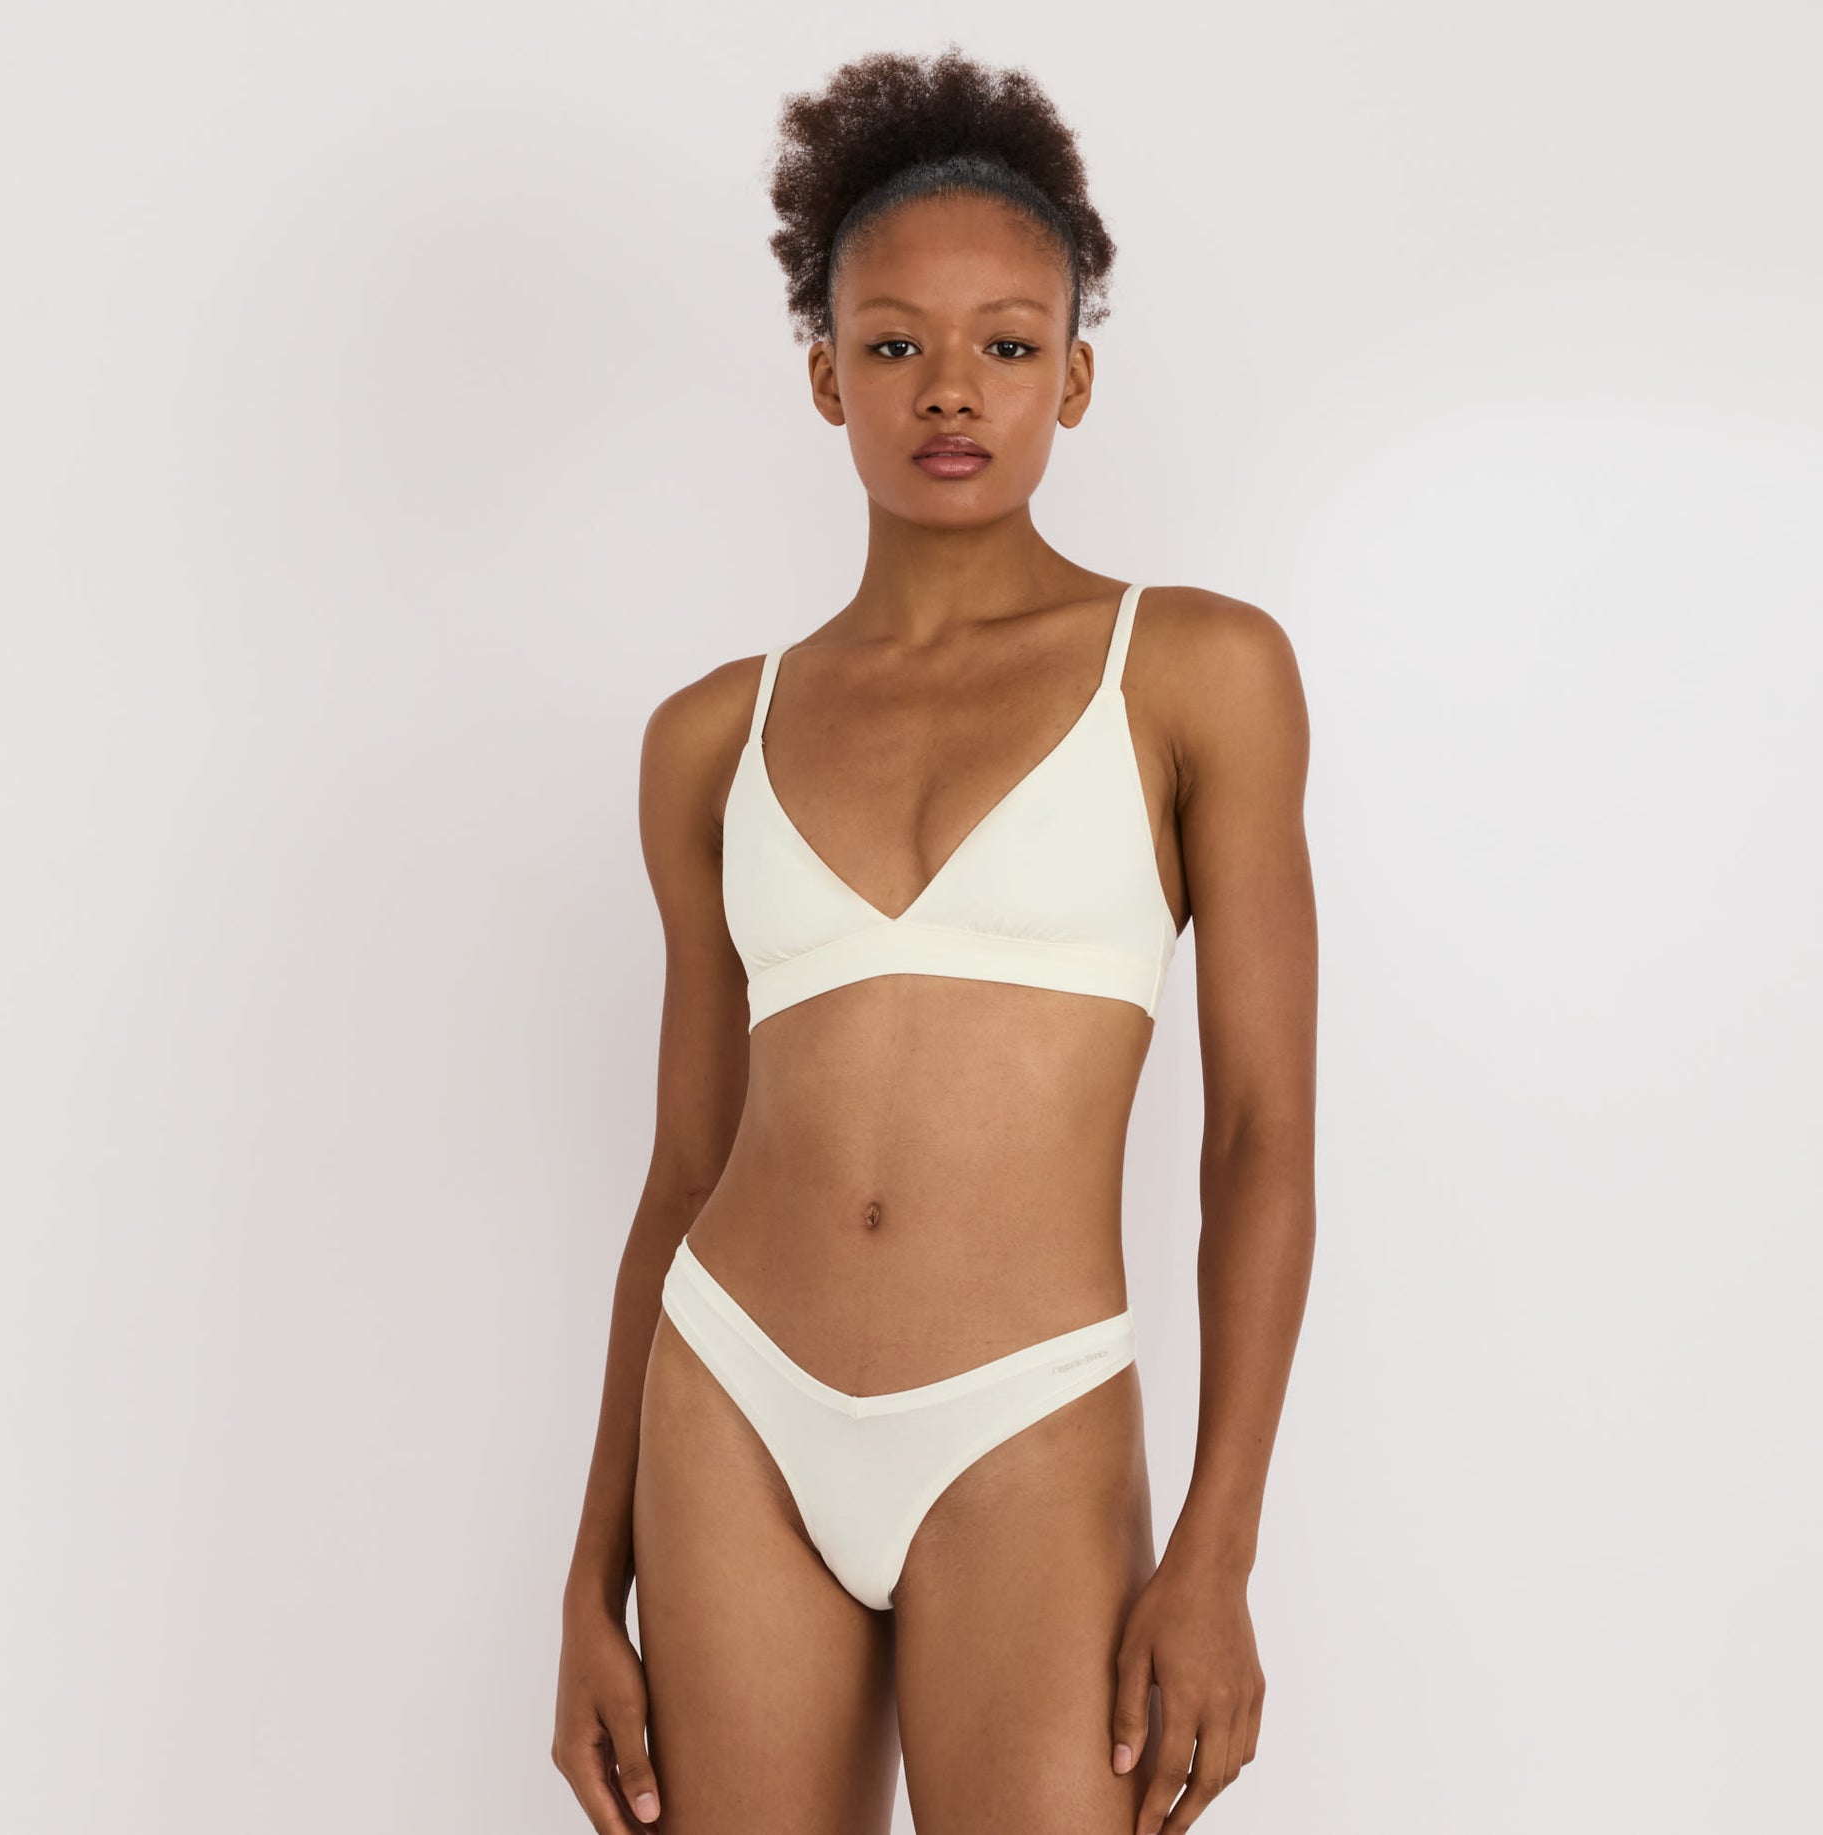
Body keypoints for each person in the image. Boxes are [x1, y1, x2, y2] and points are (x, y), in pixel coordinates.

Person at [552, 46, 1316, 1835]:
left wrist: (1215, 1554)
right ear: (825, 374)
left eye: (1008, 344)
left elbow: (1259, 1136)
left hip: (1025, 1418)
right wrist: (587, 1585)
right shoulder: (708, 737)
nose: (950, 389)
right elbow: (683, 1165)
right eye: (893, 345)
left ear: (1076, 375)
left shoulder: (1195, 670)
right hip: (730, 1401)